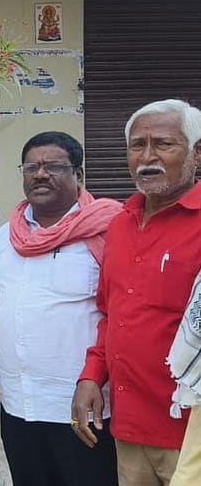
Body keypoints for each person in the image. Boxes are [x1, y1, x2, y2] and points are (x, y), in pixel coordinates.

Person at [0, 131, 121, 485]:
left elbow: (120, 316)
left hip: (83, 405)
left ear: (78, 175)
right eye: (31, 167)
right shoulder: (4, 238)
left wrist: (96, 378)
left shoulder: (107, 231)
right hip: (20, 405)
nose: (40, 174)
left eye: (54, 166)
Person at [73, 99, 201, 486]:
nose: (148, 156)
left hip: (191, 433)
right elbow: (112, 314)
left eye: (163, 144)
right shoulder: (120, 225)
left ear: (197, 154)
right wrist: (91, 376)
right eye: (137, 145)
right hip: (129, 428)